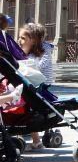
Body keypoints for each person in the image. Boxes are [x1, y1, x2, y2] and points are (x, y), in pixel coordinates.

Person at [18, 22, 55, 150]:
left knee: (26, 104)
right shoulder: (25, 50)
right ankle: (23, 137)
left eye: (23, 38)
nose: (19, 40)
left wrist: (25, 54)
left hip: (42, 83)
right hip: (30, 82)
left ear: (33, 39)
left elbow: (37, 67)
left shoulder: (45, 50)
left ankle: (36, 141)